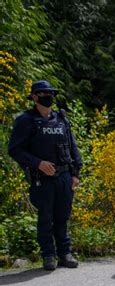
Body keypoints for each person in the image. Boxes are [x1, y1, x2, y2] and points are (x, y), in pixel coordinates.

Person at [8, 80, 82, 271]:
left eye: (50, 94)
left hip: (65, 176)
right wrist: (38, 163)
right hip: (43, 179)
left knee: (63, 216)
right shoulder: (26, 120)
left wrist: (76, 173)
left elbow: (72, 147)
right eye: (43, 94)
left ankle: (65, 253)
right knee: (46, 217)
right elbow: (15, 150)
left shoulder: (62, 119)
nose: (48, 97)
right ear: (34, 97)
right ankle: (48, 255)